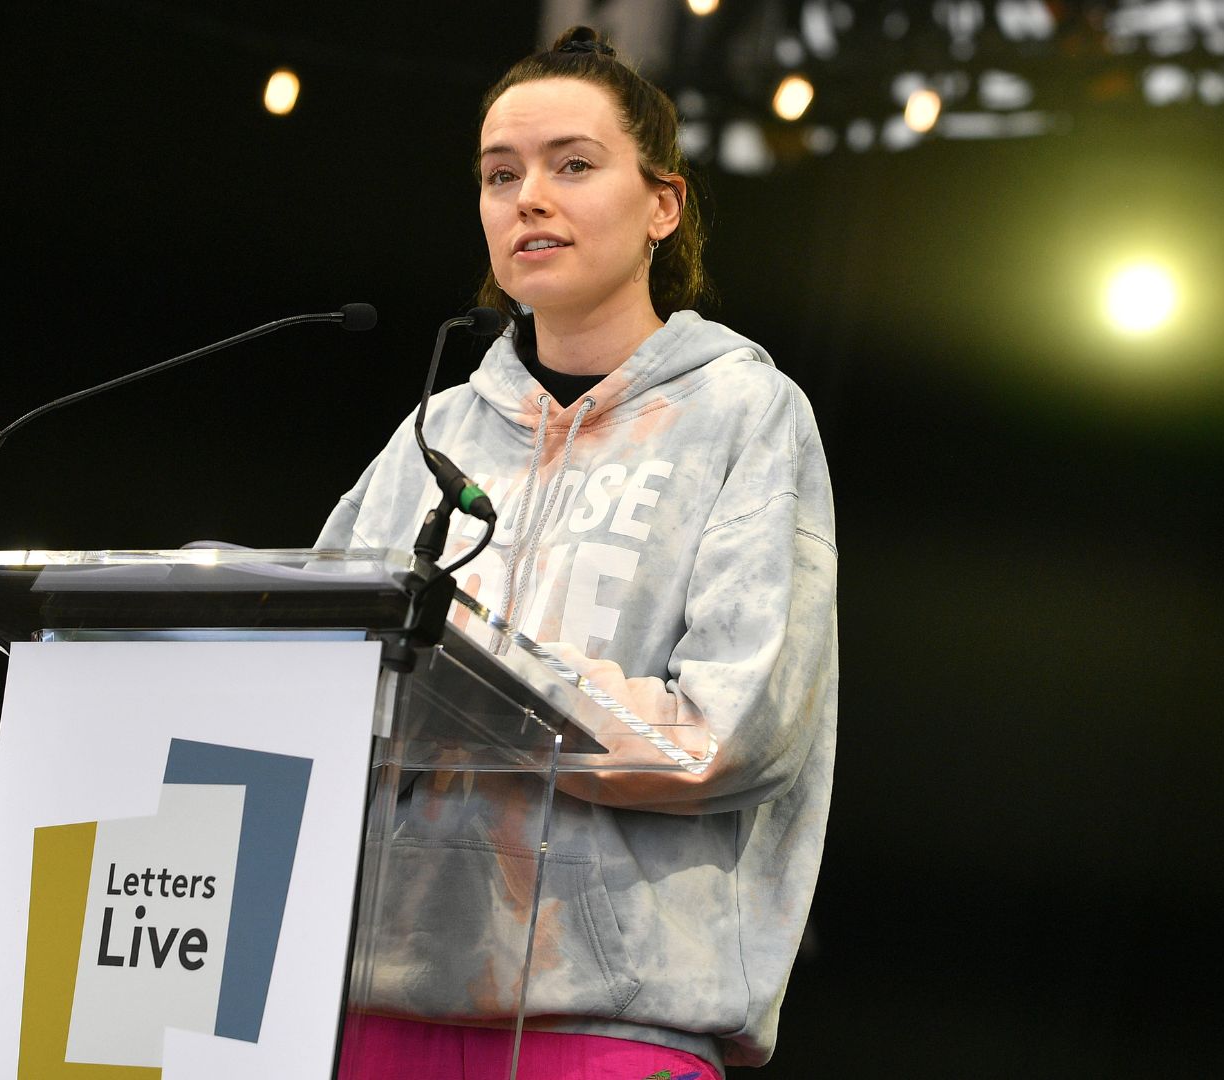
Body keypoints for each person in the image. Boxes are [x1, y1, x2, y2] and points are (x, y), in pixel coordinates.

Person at [316, 26, 837, 1078]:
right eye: (500, 174)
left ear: (663, 206)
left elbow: (734, 731)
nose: (528, 198)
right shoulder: (437, 433)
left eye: (572, 165)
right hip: (376, 995)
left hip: (611, 1020)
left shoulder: (746, 416)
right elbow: (310, 684)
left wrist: (495, 701)